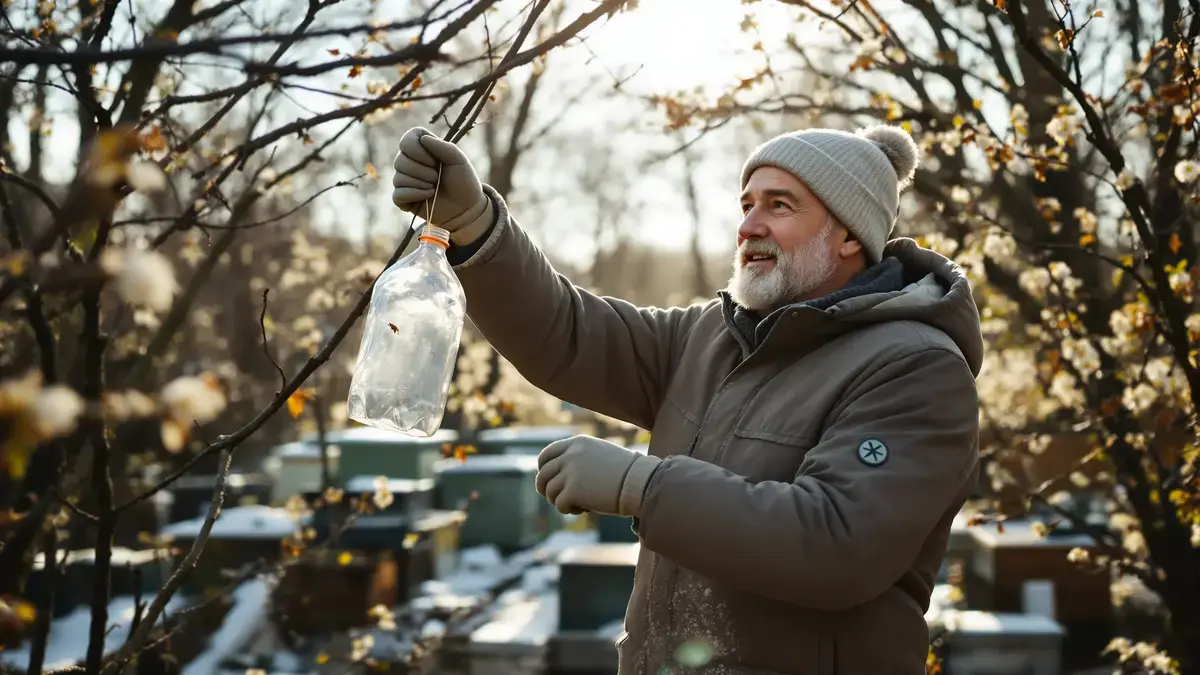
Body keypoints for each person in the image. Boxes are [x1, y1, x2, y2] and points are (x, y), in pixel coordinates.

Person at [391, 123, 983, 675]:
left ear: (852, 233)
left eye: (780, 205)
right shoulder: (709, 337)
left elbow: (838, 545)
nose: (750, 225)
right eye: (747, 204)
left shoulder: (915, 368)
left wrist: (642, 487)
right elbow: (571, 334)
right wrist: (476, 226)